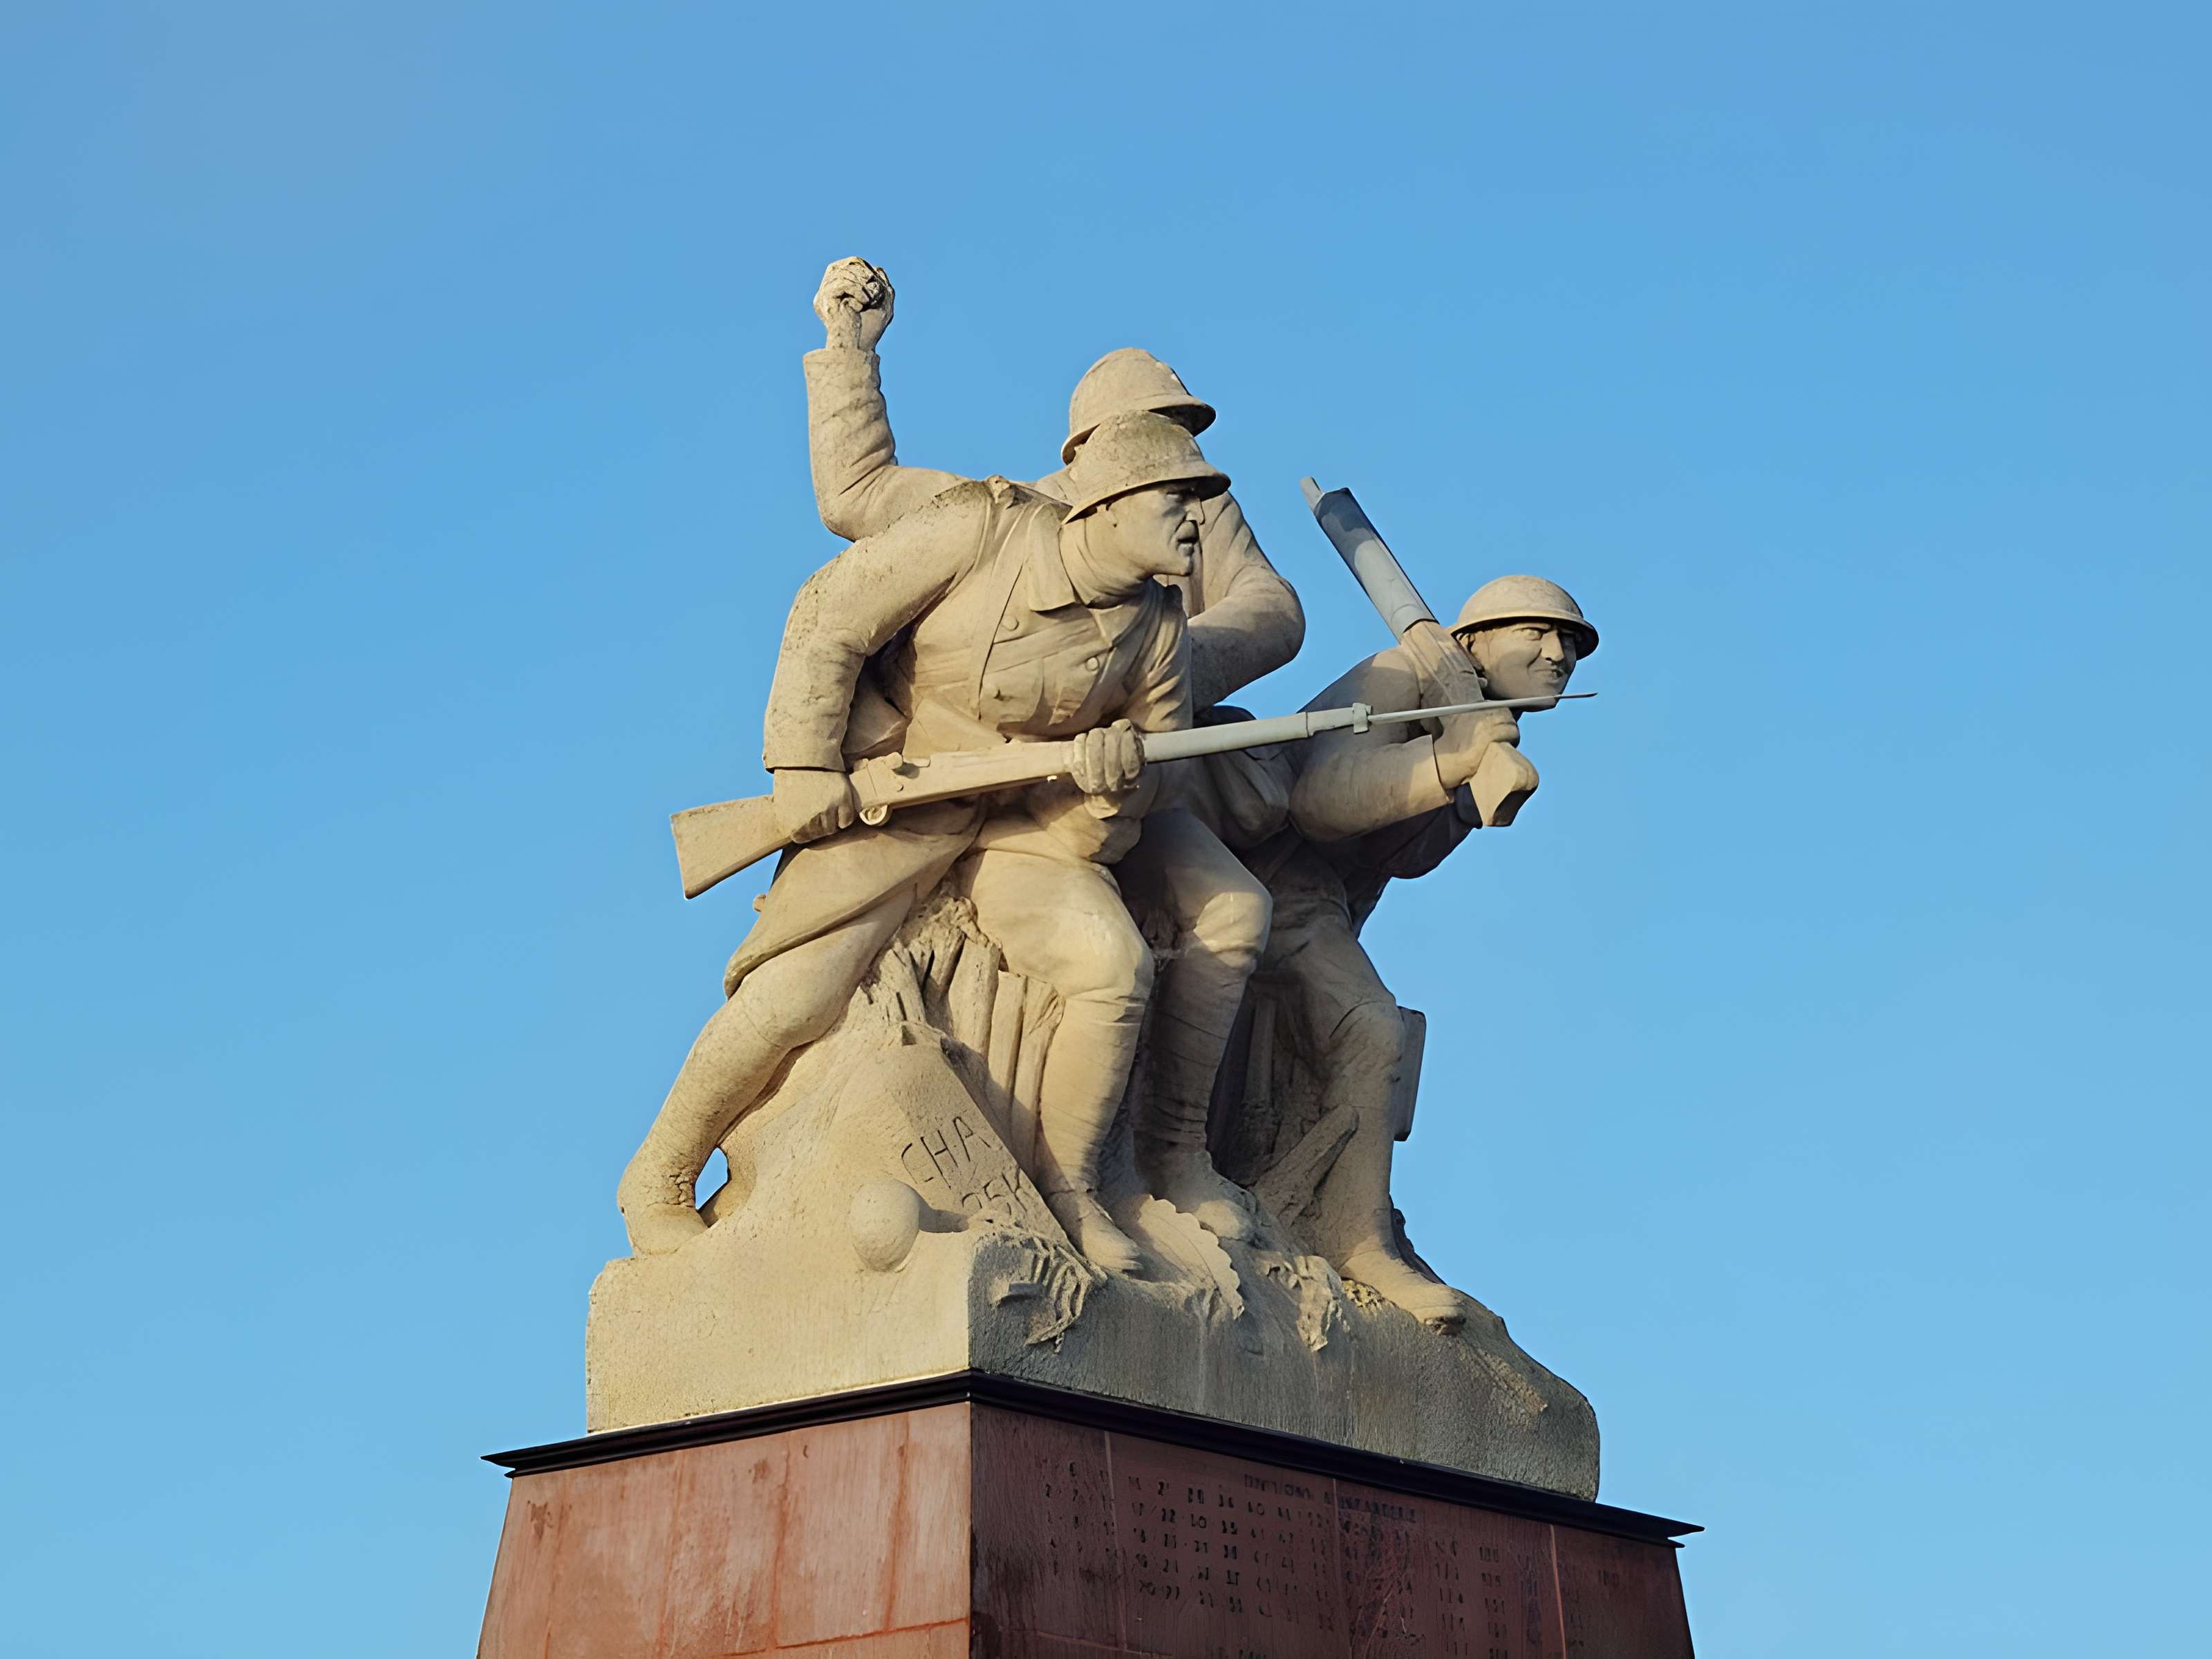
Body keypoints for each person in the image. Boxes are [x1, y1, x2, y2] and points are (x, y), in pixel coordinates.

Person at [617, 413, 1228, 1273]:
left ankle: (1071, 1193)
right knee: (795, 993)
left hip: (1027, 831)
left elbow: (1161, 770)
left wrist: (1116, 778)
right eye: (1179, 495)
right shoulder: (982, 525)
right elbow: (829, 617)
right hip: (898, 795)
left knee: (1111, 968)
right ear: (1111, 503)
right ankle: (659, 1175)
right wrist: (802, 765)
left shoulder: (1157, 625)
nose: (1198, 517)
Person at [791, 256, 1290, 1240]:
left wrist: (1160, 687)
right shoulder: (1012, 514)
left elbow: (1274, 614)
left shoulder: (1196, 518)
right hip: (995, 795)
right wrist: (850, 354)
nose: (1180, 465)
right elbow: (858, 503)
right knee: (797, 988)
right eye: (1153, 438)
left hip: (1138, 778)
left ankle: (1178, 1155)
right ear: (1090, 451)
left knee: (1235, 913)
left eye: (1187, 437)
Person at [1253, 575, 1598, 1326]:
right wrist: (1447, 763)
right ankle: (1357, 1242)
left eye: (1569, 643)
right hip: (1269, 875)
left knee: (1385, 1047)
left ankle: (1353, 1216)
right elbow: (1317, 801)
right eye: (1534, 636)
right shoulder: (1403, 674)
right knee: (1371, 1030)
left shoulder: (1488, 723)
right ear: (1473, 641)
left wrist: (1473, 790)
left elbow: (1404, 856)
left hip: (1329, 905)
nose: (1558, 654)